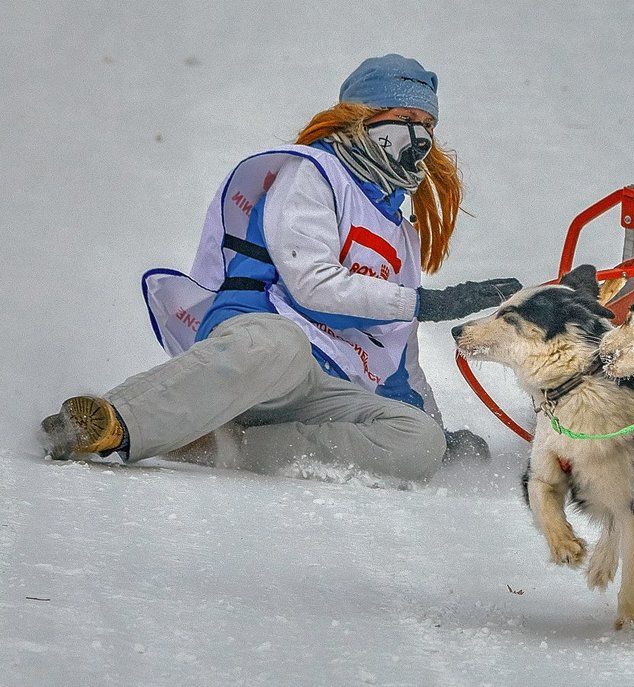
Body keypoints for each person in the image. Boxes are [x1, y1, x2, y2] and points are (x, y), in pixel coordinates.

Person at [41, 54, 521, 482]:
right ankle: (112, 423)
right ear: (362, 117)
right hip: (264, 352)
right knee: (280, 345)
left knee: (417, 440)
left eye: (428, 123)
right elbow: (312, 284)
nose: (420, 134)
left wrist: (436, 434)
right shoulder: (312, 173)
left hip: (324, 389)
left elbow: (397, 352)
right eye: (405, 118)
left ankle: (219, 447)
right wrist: (425, 303)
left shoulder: (400, 231)